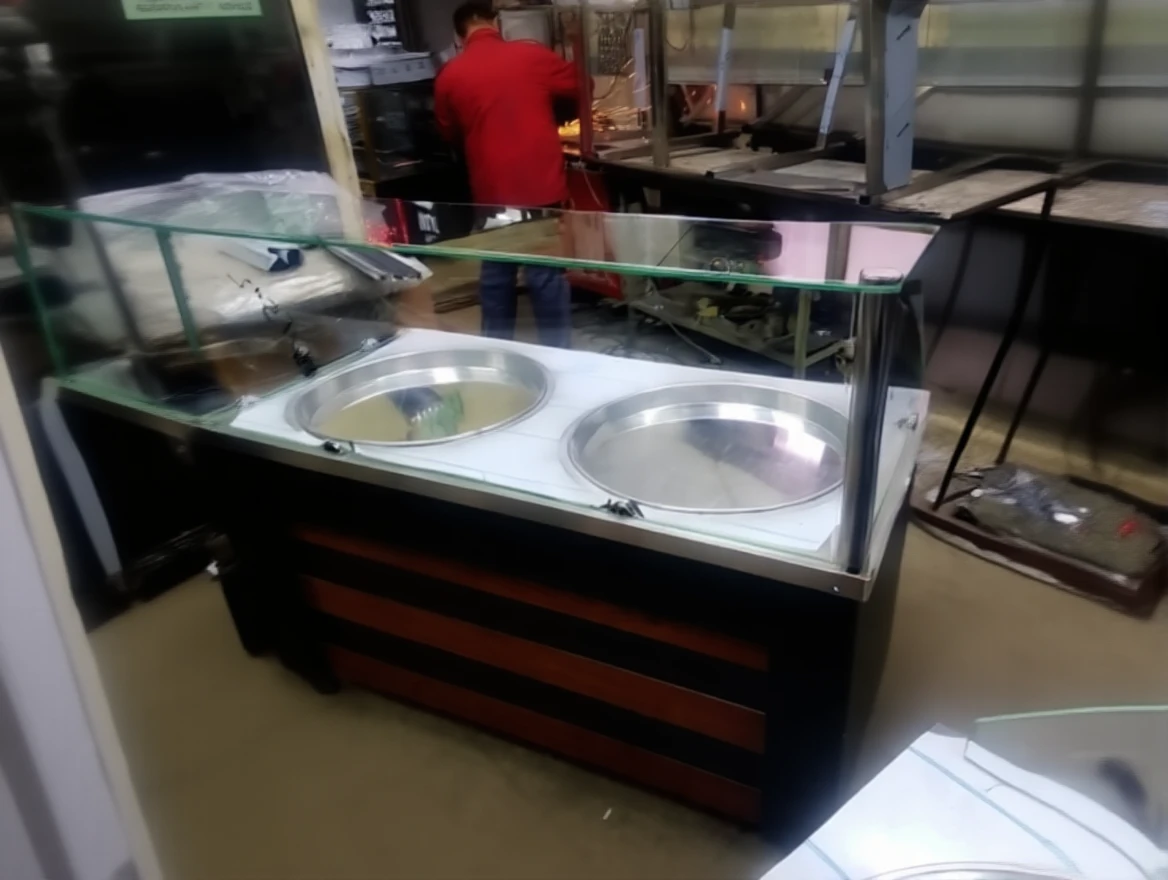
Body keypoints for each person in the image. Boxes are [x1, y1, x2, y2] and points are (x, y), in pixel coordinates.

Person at [434, 1, 579, 348]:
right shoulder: (531, 55)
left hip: (493, 193)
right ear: (496, 23)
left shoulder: (450, 75)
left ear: (458, 36)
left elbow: (448, 132)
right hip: (540, 187)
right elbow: (579, 84)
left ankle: (496, 351)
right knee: (545, 275)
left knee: (497, 275)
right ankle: (560, 357)